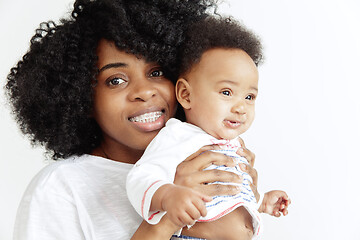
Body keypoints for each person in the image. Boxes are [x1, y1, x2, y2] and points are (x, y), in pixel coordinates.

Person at [5, 0, 261, 239]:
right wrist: (166, 218)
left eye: (157, 72)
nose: (144, 91)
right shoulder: (60, 188)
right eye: (116, 80)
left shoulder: (210, 156)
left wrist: (248, 199)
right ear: (82, 97)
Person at [126, 17, 291, 240]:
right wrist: (168, 196)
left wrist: (262, 201)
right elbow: (141, 177)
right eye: (226, 92)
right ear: (186, 94)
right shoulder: (178, 136)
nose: (241, 107)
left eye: (249, 96)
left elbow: (234, 192)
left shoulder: (235, 146)